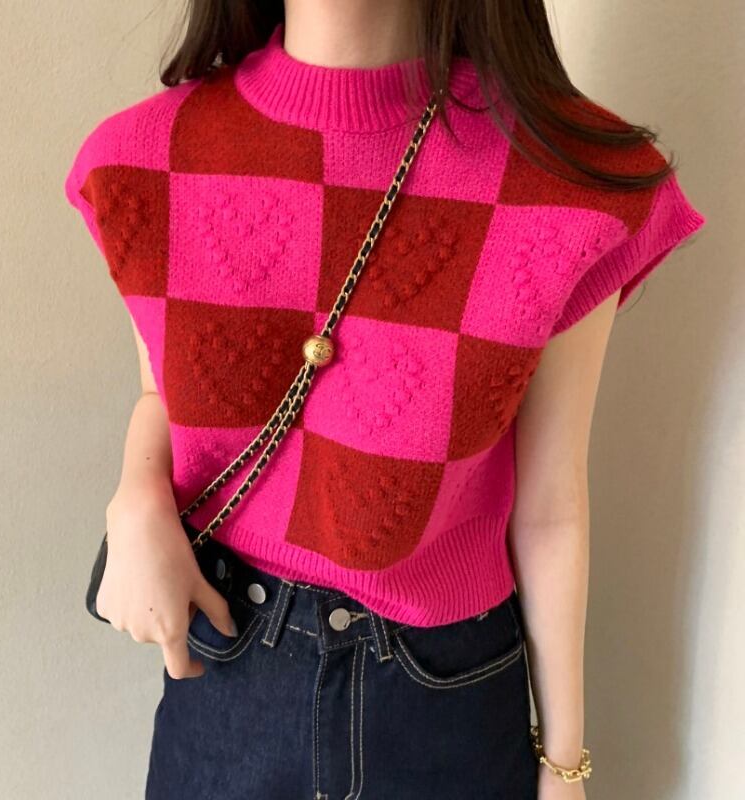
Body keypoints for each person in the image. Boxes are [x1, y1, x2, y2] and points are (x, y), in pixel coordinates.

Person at [63, 2, 706, 798]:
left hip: (446, 701)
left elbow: (549, 508)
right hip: (227, 674)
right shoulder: (147, 158)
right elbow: (167, 397)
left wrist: (564, 764)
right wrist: (134, 501)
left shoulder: (567, 179)